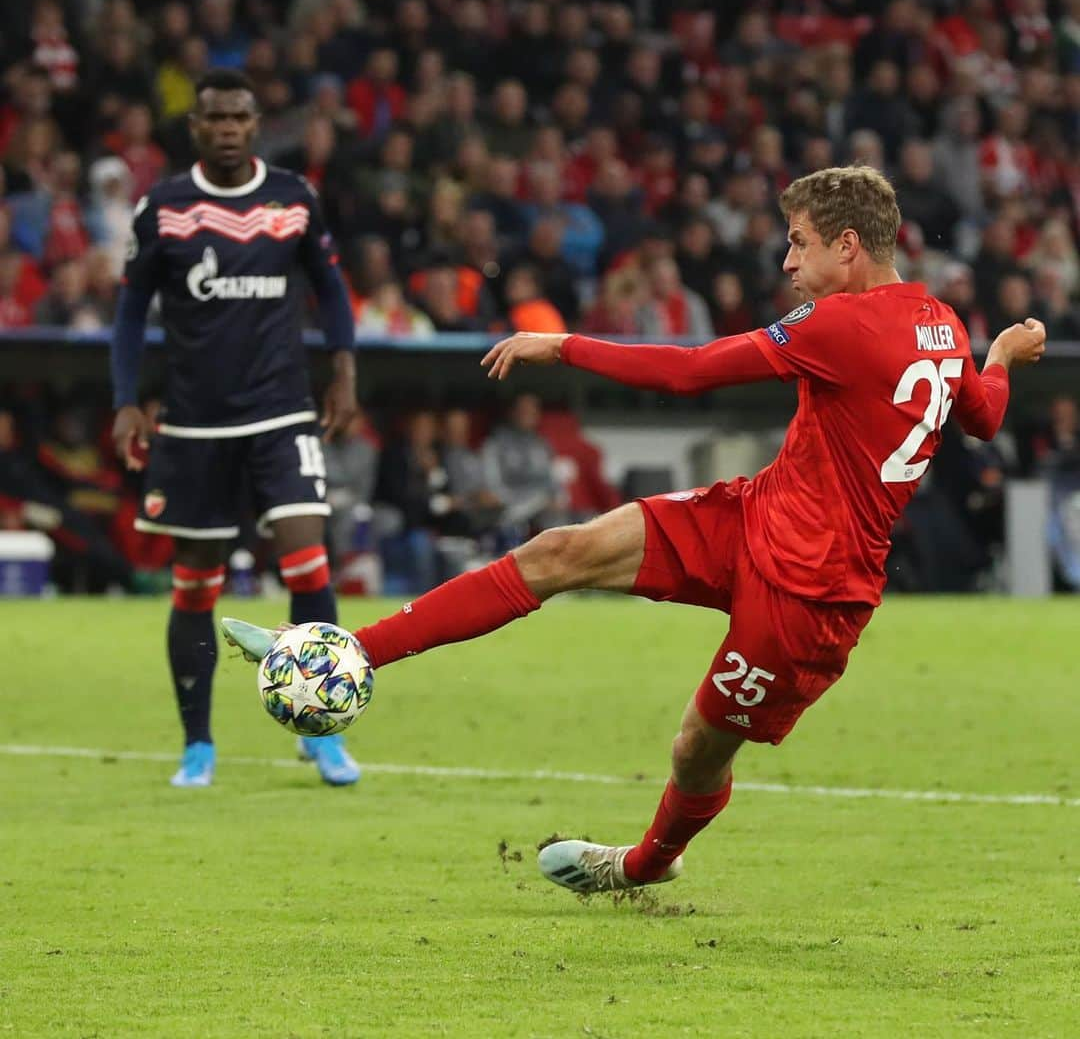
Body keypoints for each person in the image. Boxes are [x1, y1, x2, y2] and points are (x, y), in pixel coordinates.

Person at [225, 166, 1046, 892]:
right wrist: (1001, 354)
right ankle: (350, 653)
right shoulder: (939, 321)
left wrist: (565, 348)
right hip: (755, 516)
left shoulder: (840, 325)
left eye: (797, 245)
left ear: (847, 246)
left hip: (813, 592)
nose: (788, 264)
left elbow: (691, 373)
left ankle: (645, 864)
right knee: (560, 551)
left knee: (697, 748)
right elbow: (981, 413)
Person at [110, 69, 362, 788]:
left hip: (282, 411)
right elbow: (129, 314)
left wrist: (343, 371)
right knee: (195, 586)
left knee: (307, 558)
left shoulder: (293, 197)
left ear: (255, 125)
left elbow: (332, 287)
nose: (226, 129)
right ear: (196, 127)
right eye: (214, 118)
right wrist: (128, 399)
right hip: (192, 426)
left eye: (239, 118)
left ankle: (321, 731)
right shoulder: (162, 208)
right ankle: (198, 744)